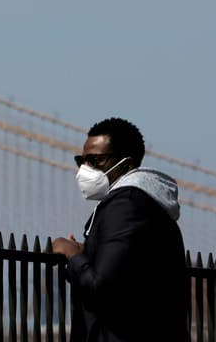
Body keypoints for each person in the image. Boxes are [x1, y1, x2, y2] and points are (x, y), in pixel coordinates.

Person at [52, 117, 189, 342]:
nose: (86, 169)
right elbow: (128, 279)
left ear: (126, 165)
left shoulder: (125, 204)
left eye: (96, 160)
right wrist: (91, 253)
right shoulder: (148, 205)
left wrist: (72, 254)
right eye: (82, 160)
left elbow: (101, 288)